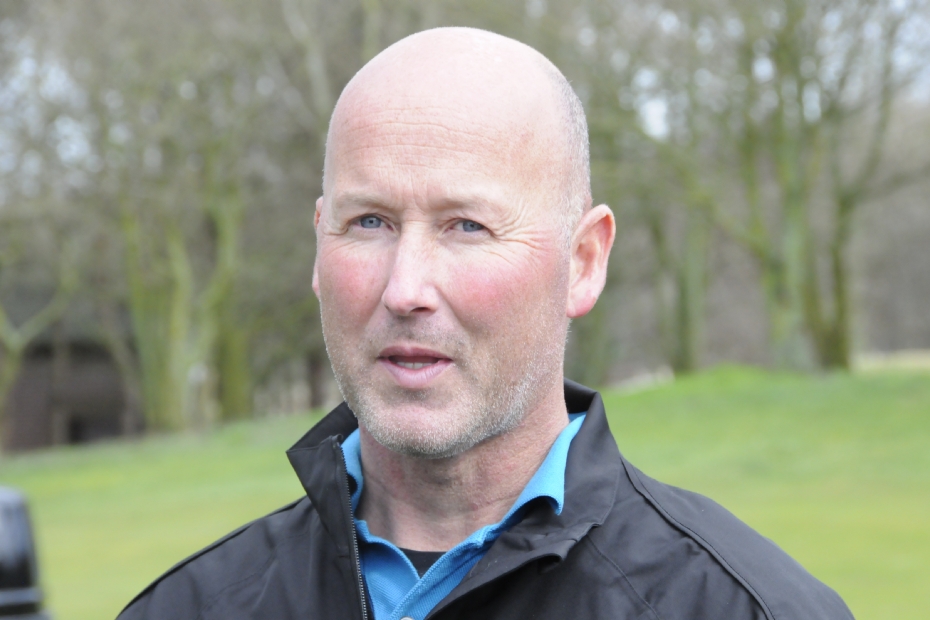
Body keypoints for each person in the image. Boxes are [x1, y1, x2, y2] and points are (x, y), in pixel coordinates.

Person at [119, 27, 854, 620]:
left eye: (466, 226)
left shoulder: (744, 609)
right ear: (318, 247)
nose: (406, 289)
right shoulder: (187, 609)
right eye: (369, 221)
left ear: (583, 261)